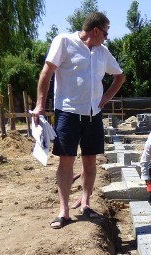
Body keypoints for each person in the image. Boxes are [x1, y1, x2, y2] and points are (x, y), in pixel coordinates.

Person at [31, 12, 125, 229]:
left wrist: (105, 98)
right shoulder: (64, 41)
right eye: (106, 33)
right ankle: (63, 211)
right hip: (67, 112)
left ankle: (86, 203)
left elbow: (119, 76)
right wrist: (40, 105)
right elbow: (46, 73)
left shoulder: (103, 52)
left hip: (93, 114)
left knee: (90, 161)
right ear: (96, 31)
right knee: (66, 161)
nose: (106, 38)